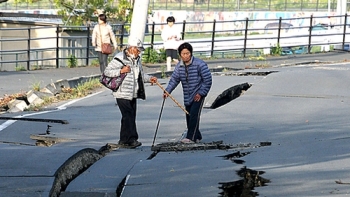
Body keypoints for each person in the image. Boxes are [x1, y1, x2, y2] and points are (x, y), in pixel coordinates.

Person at [104, 37, 157, 148]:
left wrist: (149, 78)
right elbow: (107, 72)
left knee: (128, 116)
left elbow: (140, 75)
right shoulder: (119, 58)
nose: (139, 52)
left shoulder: (137, 60)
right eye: (137, 49)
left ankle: (124, 140)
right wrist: (121, 71)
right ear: (131, 48)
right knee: (128, 115)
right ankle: (132, 139)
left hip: (133, 92)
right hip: (122, 92)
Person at [163, 42, 212, 143]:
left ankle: (191, 137)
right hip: (187, 95)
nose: (185, 56)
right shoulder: (179, 67)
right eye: (183, 54)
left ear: (191, 53)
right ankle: (197, 135)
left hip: (198, 94)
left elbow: (207, 80)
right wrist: (167, 91)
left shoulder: (200, 64)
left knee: (194, 114)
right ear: (180, 54)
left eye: (187, 53)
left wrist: (201, 93)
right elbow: (174, 80)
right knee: (189, 115)